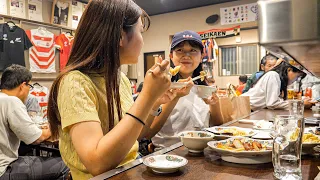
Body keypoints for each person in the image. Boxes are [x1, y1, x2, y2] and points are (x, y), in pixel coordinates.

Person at [47, 1, 174, 179]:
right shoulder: (74, 82)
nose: (142, 40)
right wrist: (147, 95)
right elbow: (97, 163)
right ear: (121, 36)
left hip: (130, 171)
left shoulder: (119, 79)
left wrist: (154, 102)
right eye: (140, 32)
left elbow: (135, 136)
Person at [147, 30, 224, 149]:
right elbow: (148, 132)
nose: (186, 55)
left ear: (202, 56)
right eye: (180, 50)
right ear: (171, 56)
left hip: (202, 150)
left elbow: (219, 126)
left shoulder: (204, 88)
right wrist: (175, 97)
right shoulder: (161, 85)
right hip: (168, 153)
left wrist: (215, 104)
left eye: (193, 50)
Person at [0, 64, 69, 180]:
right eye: (29, 86)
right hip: (4, 169)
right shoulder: (11, 101)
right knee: (65, 165)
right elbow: (37, 138)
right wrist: (54, 128)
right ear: (23, 86)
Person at [242, 61, 307, 111]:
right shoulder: (273, 75)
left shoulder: (279, 80)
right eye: (297, 76)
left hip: (251, 109)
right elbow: (272, 104)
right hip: (243, 108)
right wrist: (300, 104)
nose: (296, 80)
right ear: (289, 70)